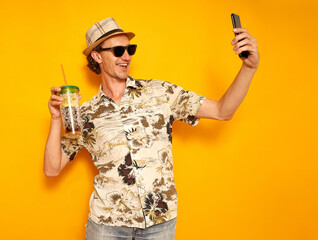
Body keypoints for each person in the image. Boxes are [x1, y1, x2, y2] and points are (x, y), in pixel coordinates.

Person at [44, 17, 259, 240]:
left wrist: (249, 67)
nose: (126, 56)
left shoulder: (160, 92)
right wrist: (56, 119)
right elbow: (52, 169)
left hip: (160, 223)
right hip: (107, 226)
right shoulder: (85, 114)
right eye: (118, 50)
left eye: (130, 49)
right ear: (97, 56)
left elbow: (222, 111)